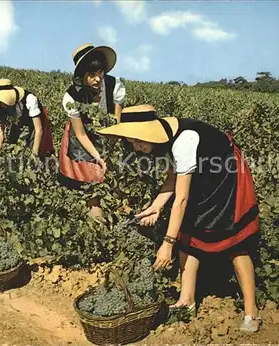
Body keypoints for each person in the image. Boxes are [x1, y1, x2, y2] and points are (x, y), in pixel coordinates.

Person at [97, 105, 262, 332]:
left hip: (225, 178)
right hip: (201, 176)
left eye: (138, 140)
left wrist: (167, 244)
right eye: (131, 141)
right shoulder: (166, 133)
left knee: (234, 244)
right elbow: (174, 175)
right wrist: (156, 206)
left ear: (148, 132)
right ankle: (187, 301)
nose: (136, 146)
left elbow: (181, 199)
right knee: (189, 238)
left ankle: (251, 312)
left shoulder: (184, 140)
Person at [59, 43, 126, 221]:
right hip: (84, 137)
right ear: (82, 77)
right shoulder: (71, 97)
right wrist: (99, 157)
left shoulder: (115, 85)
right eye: (91, 75)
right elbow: (80, 134)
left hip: (111, 134)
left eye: (100, 73)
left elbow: (117, 122)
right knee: (92, 185)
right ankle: (97, 227)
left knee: (117, 179)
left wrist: (111, 150)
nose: (98, 79)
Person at [0, 79, 54, 157]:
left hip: (34, 125)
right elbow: (0, 132)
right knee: (12, 146)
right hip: (18, 122)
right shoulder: (0, 105)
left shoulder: (30, 99)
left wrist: (34, 155)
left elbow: (39, 129)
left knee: (33, 148)